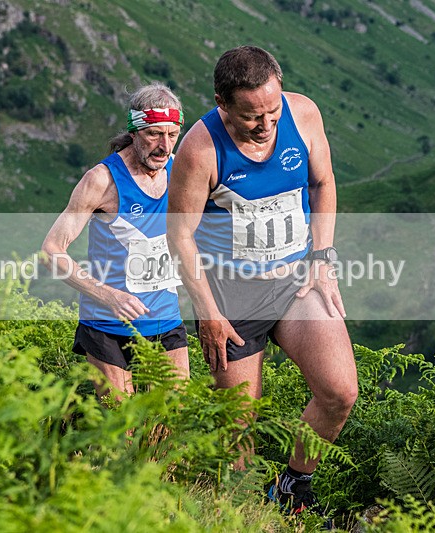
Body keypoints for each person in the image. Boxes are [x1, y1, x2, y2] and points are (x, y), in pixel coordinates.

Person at [167, 46, 357, 520]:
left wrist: (322, 255)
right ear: (222, 103)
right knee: (238, 431)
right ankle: (246, 518)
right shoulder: (200, 149)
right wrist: (208, 313)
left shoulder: (303, 114)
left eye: (272, 111)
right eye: (252, 116)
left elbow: (323, 182)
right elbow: (179, 236)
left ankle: (292, 487)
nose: (266, 125)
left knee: (339, 392)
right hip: (231, 297)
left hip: (295, 282)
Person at [41, 82, 189, 401]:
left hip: (165, 318)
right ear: (134, 132)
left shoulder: (180, 171)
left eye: (172, 134)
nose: (164, 146)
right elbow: (51, 250)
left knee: (171, 418)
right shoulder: (101, 180)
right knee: (123, 424)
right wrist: (107, 295)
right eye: (154, 134)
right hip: (107, 324)